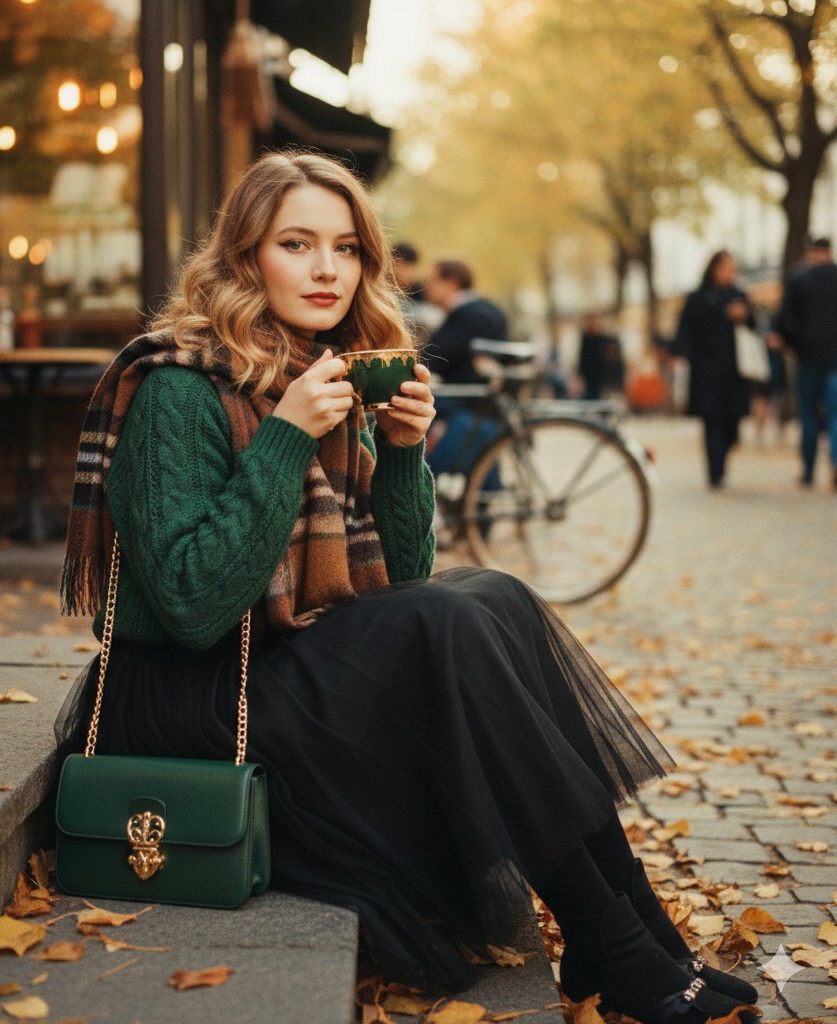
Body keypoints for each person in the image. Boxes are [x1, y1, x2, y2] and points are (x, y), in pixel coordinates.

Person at [56, 151, 758, 1022]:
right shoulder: (177, 387)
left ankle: (640, 931)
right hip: (192, 696)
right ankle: (611, 943)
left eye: (346, 248)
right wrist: (282, 439)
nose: (326, 270)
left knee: (491, 597)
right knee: (444, 624)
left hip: (283, 662)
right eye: (298, 244)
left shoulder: (330, 369)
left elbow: (404, 578)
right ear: (245, 259)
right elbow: (196, 607)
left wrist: (400, 453)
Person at [422, 259, 510, 479]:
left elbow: (433, 357)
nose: (426, 286)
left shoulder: (466, 315)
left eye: (432, 280)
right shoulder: (490, 308)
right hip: (485, 403)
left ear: (451, 283)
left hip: (466, 400)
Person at [673, 250, 752, 489]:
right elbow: (685, 329)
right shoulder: (697, 297)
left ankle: (722, 457)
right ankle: (715, 472)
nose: (730, 272)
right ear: (713, 269)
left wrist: (743, 317)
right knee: (711, 420)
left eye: (732, 267)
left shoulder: (739, 296)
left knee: (732, 421)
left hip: (734, 370)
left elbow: (754, 328)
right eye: (726, 267)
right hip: (705, 368)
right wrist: (681, 355)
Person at [775, 237, 837, 489]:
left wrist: (792, 342)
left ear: (812, 253)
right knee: (835, 414)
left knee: (808, 413)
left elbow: (784, 318)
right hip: (835, 357)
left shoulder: (799, 280)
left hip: (807, 355)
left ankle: (809, 470)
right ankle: (836, 462)